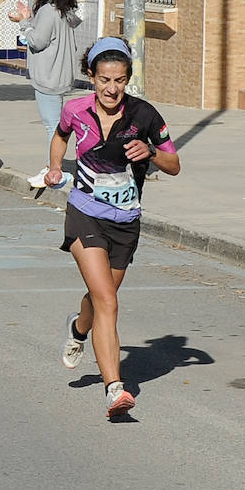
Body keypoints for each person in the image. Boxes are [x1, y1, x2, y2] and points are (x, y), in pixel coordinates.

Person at [48, 37, 180, 417]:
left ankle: (78, 328)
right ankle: (114, 389)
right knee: (108, 300)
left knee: (99, 297)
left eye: (119, 80)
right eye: (104, 79)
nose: (111, 88)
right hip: (84, 212)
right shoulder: (75, 109)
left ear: (127, 80)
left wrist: (152, 153)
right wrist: (56, 166)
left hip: (125, 222)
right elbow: (60, 135)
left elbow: (174, 165)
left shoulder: (145, 116)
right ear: (91, 76)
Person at [9, 0, 81, 188]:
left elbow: (37, 41)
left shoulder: (48, 10)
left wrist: (22, 23)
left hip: (48, 77)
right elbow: (47, 35)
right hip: (60, 76)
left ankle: (55, 170)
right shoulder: (65, 10)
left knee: (54, 127)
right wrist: (30, 19)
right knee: (56, 125)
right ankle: (53, 165)